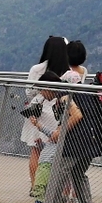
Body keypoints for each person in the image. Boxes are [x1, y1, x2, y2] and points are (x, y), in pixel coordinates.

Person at [46, 74, 102, 203]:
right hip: (93, 140)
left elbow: (76, 115)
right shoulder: (89, 93)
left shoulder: (65, 94)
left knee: (60, 173)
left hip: (75, 141)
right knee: (79, 173)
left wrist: (59, 132)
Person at [23, 37, 70, 187]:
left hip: (38, 112)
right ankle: (57, 189)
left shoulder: (37, 69)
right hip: (57, 112)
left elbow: (29, 92)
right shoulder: (68, 72)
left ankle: (35, 187)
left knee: (36, 151)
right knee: (58, 154)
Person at [26, 74, 69, 203]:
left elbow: (56, 133)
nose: (41, 94)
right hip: (51, 146)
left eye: (42, 90)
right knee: (50, 178)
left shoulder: (62, 102)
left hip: (50, 153)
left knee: (44, 179)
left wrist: (45, 133)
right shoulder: (61, 100)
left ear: (48, 87)